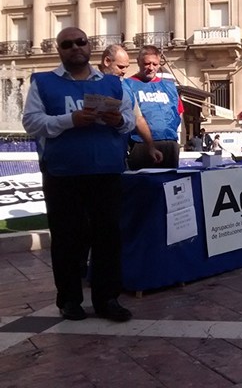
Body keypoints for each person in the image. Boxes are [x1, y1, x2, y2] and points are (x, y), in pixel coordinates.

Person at [22, 27, 135, 322]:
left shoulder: (112, 83)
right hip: (63, 174)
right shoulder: (43, 82)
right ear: (59, 50)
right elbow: (31, 123)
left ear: (89, 46)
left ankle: (107, 299)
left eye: (80, 42)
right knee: (67, 238)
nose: (75, 47)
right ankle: (69, 299)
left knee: (107, 237)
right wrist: (69, 120)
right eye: (67, 44)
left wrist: (118, 119)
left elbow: (130, 122)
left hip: (106, 172)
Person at [99, 44, 163, 165]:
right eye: (120, 67)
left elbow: (138, 118)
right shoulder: (90, 82)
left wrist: (150, 147)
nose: (124, 71)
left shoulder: (125, 86)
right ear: (107, 61)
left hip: (117, 154)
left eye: (126, 67)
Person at [124, 45, 183, 170]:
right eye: (147, 64)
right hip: (140, 144)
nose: (151, 68)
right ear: (138, 62)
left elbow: (179, 112)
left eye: (155, 64)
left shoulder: (170, 86)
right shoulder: (127, 84)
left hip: (169, 143)